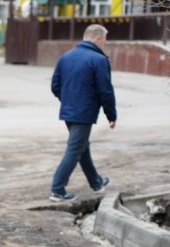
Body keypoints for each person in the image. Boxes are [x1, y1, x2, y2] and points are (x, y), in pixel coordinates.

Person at [49, 24, 116, 202]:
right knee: (74, 149)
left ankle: (97, 182)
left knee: (81, 147)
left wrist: (69, 100)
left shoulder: (66, 57)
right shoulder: (99, 60)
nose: (105, 43)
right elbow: (105, 91)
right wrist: (111, 115)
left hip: (68, 111)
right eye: (105, 39)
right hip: (83, 113)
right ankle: (57, 189)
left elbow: (55, 85)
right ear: (98, 39)